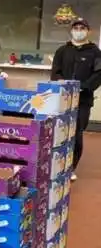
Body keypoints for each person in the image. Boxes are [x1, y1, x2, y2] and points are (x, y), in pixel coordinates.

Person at [51, 18, 101, 179]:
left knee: (76, 132)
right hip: (61, 99)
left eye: (82, 28)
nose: (79, 30)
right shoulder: (62, 51)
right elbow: (55, 71)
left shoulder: (95, 52)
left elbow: (99, 73)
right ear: (71, 30)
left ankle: (71, 167)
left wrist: (84, 86)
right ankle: (56, 164)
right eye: (76, 27)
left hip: (83, 100)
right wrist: (61, 82)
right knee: (59, 130)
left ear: (88, 31)